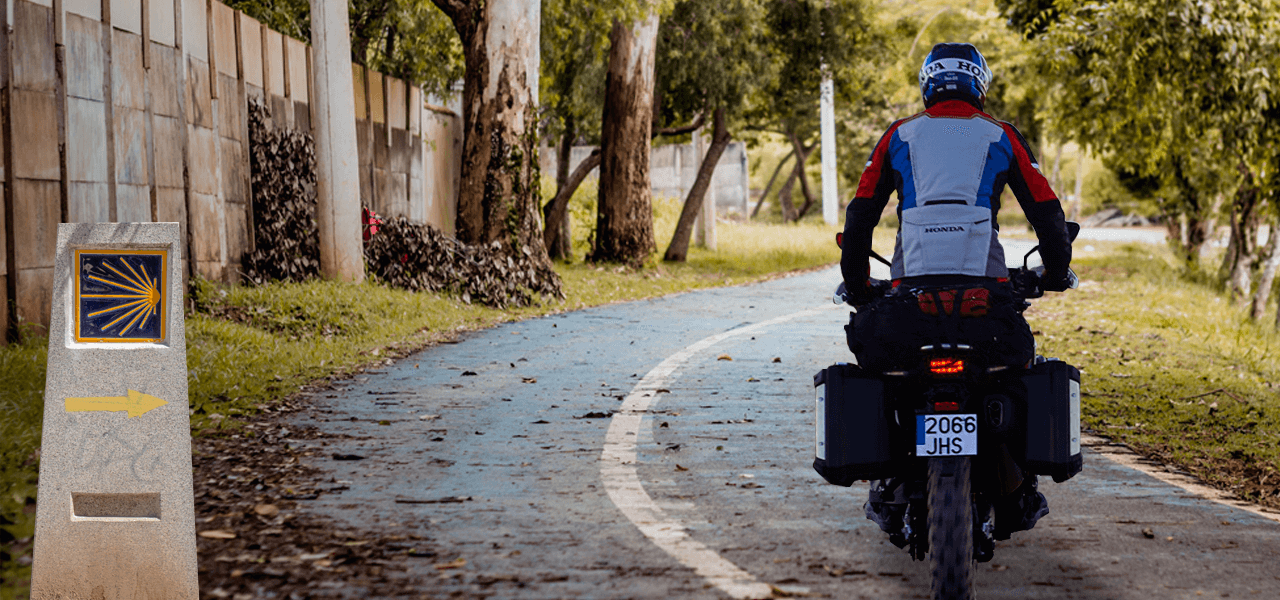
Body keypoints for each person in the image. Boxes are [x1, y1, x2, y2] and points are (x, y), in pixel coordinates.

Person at [841, 42, 1073, 550]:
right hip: (984, 304)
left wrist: (858, 285)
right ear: (980, 84)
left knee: (889, 375)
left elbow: (859, 217)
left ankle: (892, 481)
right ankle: (1016, 489)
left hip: (908, 303)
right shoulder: (1002, 136)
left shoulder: (898, 136)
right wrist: (1056, 272)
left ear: (927, 84)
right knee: (1012, 374)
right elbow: (1048, 214)